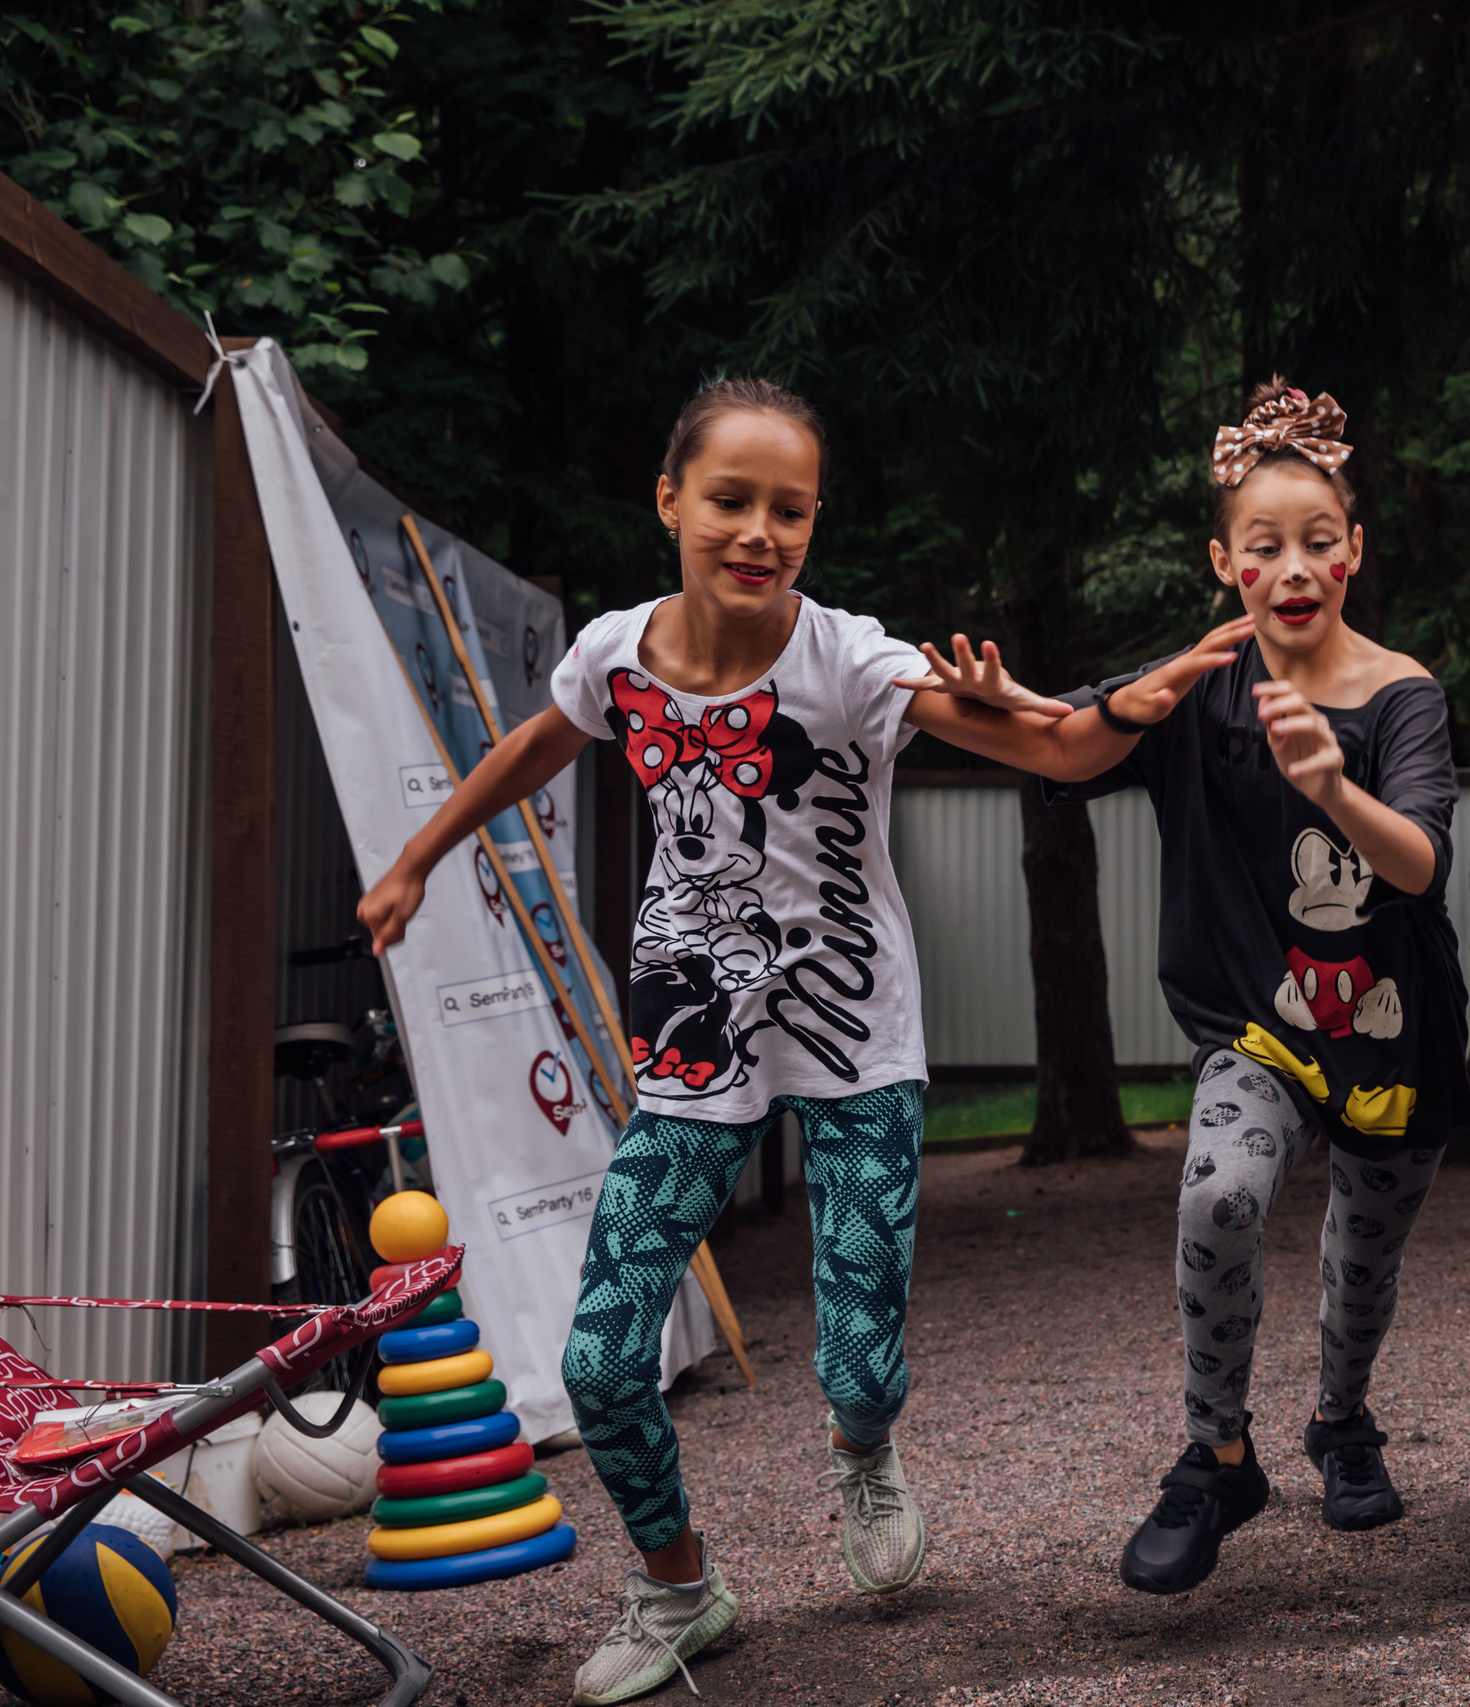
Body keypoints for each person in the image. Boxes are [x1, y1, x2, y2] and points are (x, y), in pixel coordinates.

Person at [357, 378, 1096, 1706]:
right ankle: (681, 1584)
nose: (761, 530)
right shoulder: (616, 654)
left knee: (859, 1358)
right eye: (732, 500)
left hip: (855, 1030)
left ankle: (864, 1448)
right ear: (671, 500)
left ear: (813, 523)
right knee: (596, 1356)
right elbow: (542, 740)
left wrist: (1031, 697)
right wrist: (421, 853)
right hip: (698, 1037)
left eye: (790, 508)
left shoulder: (853, 658)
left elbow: (1058, 750)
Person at [906, 379, 1470, 1595]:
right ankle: (1218, 1454)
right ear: (1225, 562)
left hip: (1392, 1030)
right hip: (1253, 1027)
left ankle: (1342, 1420)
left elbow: (1420, 865)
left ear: (1354, 550)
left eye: (1318, 542)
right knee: (1222, 1199)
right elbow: (1063, 738)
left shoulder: (1402, 693)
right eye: (1263, 546)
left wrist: (1332, 784)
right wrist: (964, 699)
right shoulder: (1195, 682)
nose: (1293, 567)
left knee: (1361, 1262)